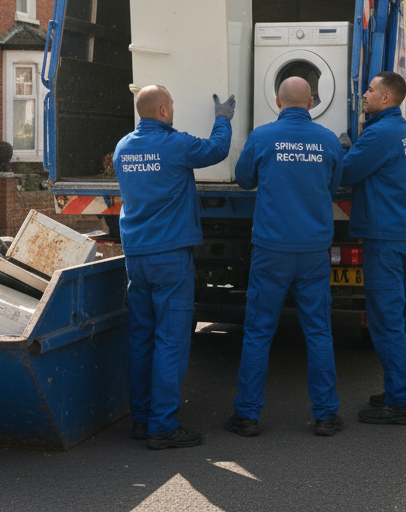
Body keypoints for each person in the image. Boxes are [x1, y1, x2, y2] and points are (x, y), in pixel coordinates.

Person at [113, 85, 235, 450]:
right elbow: (217, 150)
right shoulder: (175, 145)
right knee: (171, 340)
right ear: (165, 110)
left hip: (137, 256)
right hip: (170, 256)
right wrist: (222, 119)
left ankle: (142, 419)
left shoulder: (124, 147)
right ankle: (163, 426)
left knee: (141, 338)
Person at [225, 77, 345, 438]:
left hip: (271, 251)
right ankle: (325, 416)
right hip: (312, 251)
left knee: (259, 332)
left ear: (278, 101)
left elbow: (244, 179)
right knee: (319, 332)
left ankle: (247, 416)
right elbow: (334, 183)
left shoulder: (262, 137)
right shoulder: (328, 139)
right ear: (311, 102)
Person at [339, 71, 406, 425]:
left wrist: (342, 146)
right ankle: (402, 390)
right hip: (402, 233)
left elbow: (345, 174)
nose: (366, 94)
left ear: (386, 98)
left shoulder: (380, 134)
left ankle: (400, 402)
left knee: (386, 320)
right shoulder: (401, 129)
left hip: (383, 238)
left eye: (371, 90)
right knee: (399, 317)